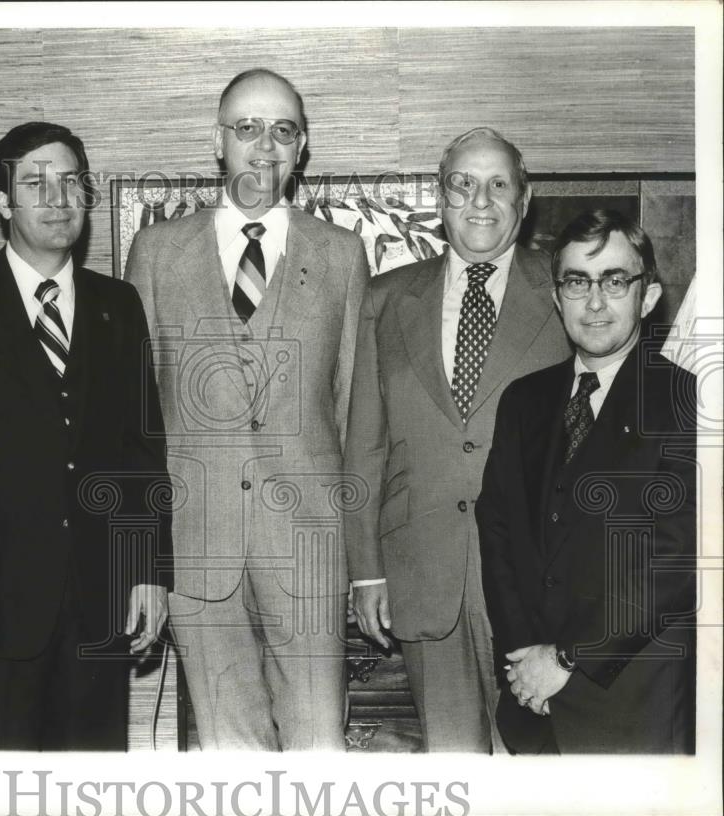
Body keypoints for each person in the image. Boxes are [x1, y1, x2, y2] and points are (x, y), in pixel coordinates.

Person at [125, 68, 370, 750]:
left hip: (309, 543)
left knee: (320, 743)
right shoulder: (156, 252)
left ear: (303, 148)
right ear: (218, 141)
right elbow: (134, 415)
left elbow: (353, 404)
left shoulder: (342, 255)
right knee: (229, 750)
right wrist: (142, 551)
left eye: (283, 130)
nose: (265, 146)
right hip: (195, 541)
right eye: (247, 128)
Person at [0, 122, 172, 751]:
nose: (58, 199)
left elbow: (142, 447)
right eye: (36, 183)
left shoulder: (120, 303)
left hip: (99, 602)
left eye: (71, 182)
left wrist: (148, 571)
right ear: (3, 201)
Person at [345, 127, 569, 752]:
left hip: (534, 575)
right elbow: (365, 440)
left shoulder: (564, 290)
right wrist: (366, 573)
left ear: (524, 202)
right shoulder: (387, 299)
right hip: (422, 571)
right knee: (453, 765)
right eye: (462, 184)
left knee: (540, 765)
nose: (480, 201)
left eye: (499, 185)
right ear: (440, 199)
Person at [476, 209, 696, 753]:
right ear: (557, 297)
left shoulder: (687, 402)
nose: (594, 302)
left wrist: (567, 658)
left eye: (615, 280)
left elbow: (677, 562)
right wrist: (527, 659)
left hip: (631, 706)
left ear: (647, 296)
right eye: (577, 281)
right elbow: (497, 528)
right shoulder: (524, 402)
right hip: (534, 702)